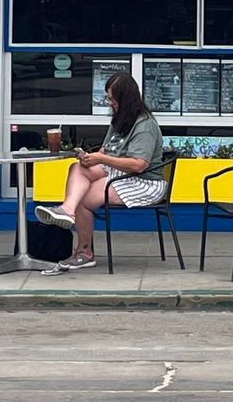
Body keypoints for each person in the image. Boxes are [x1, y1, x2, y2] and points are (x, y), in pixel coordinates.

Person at [34, 71, 166, 272]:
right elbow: (106, 150)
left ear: (125, 98)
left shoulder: (145, 124)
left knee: (85, 199)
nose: (109, 102)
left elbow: (140, 165)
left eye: (112, 98)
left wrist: (101, 159)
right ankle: (68, 210)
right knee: (77, 167)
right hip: (120, 174)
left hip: (144, 182)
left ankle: (84, 253)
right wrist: (90, 158)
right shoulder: (120, 119)